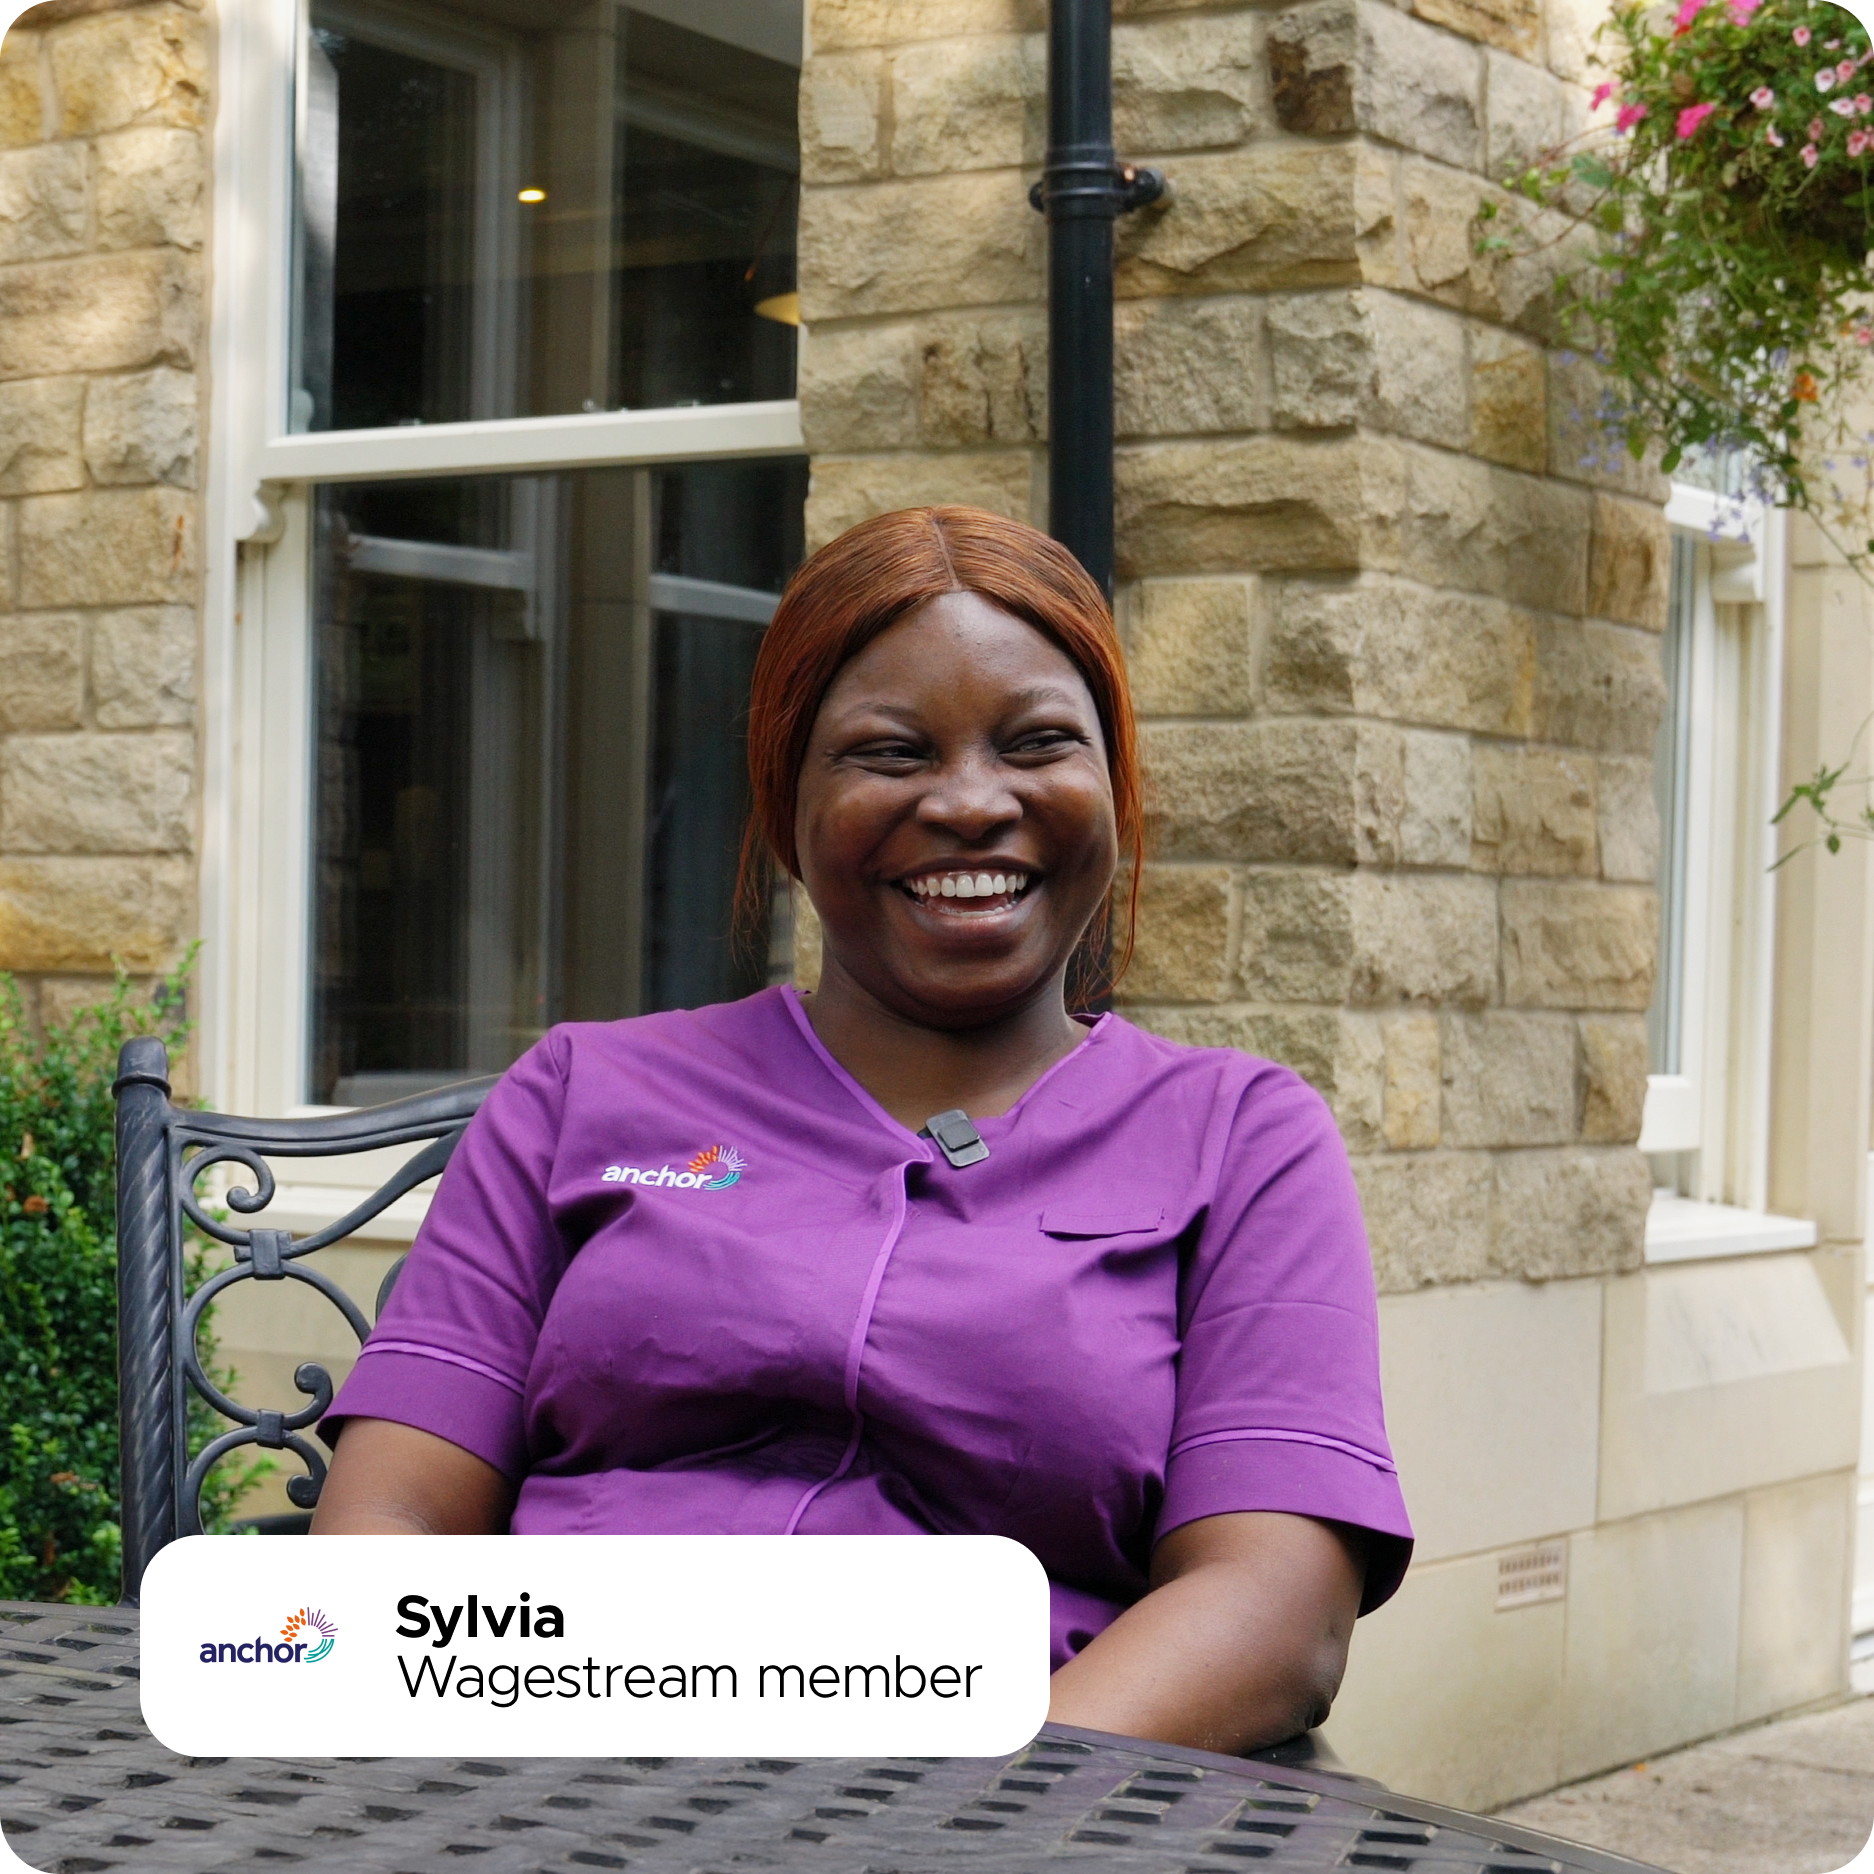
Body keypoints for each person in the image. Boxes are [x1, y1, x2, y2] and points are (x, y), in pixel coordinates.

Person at [313, 505, 1413, 1756]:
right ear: (785, 804)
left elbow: (1275, 1608)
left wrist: (947, 1819)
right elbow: (387, 1525)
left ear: (1111, 783)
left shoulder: (1239, 1138)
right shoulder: (580, 1093)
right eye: (888, 753)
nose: (966, 802)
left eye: (1038, 742)